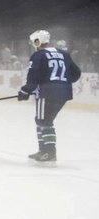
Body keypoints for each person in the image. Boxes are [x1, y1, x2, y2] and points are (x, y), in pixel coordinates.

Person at [17, 29, 81, 164]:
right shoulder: (64, 54)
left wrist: (25, 91)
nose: (33, 45)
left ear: (37, 41)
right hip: (64, 93)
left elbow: (33, 76)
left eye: (34, 42)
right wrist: (62, 82)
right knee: (44, 120)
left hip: (46, 93)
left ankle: (49, 153)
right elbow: (76, 73)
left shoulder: (38, 55)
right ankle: (44, 151)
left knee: (44, 121)